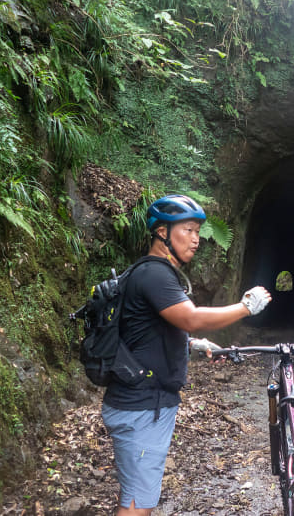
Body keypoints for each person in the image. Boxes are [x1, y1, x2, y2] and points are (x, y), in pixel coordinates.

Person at [101, 194, 272, 516]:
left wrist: (192, 345)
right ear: (162, 232)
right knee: (137, 505)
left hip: (142, 403)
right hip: (142, 407)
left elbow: (140, 332)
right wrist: (246, 307)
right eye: (188, 230)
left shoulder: (146, 273)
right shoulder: (155, 274)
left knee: (139, 497)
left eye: (197, 231)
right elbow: (190, 317)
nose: (196, 239)